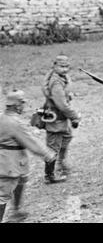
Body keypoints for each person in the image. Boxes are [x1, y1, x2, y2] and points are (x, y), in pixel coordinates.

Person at [0, 90, 56, 223]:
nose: (23, 106)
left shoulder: (2, 117)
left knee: (21, 180)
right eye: (22, 104)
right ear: (17, 105)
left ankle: (16, 210)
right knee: (2, 195)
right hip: (10, 162)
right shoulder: (15, 123)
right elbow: (31, 141)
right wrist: (47, 154)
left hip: (11, 159)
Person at [42, 55, 81, 184]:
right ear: (54, 66)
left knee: (66, 137)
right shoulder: (56, 82)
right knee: (53, 147)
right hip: (55, 119)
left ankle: (61, 164)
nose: (64, 69)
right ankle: (50, 175)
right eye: (61, 66)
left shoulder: (62, 78)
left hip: (62, 118)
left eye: (66, 67)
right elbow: (62, 105)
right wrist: (75, 116)